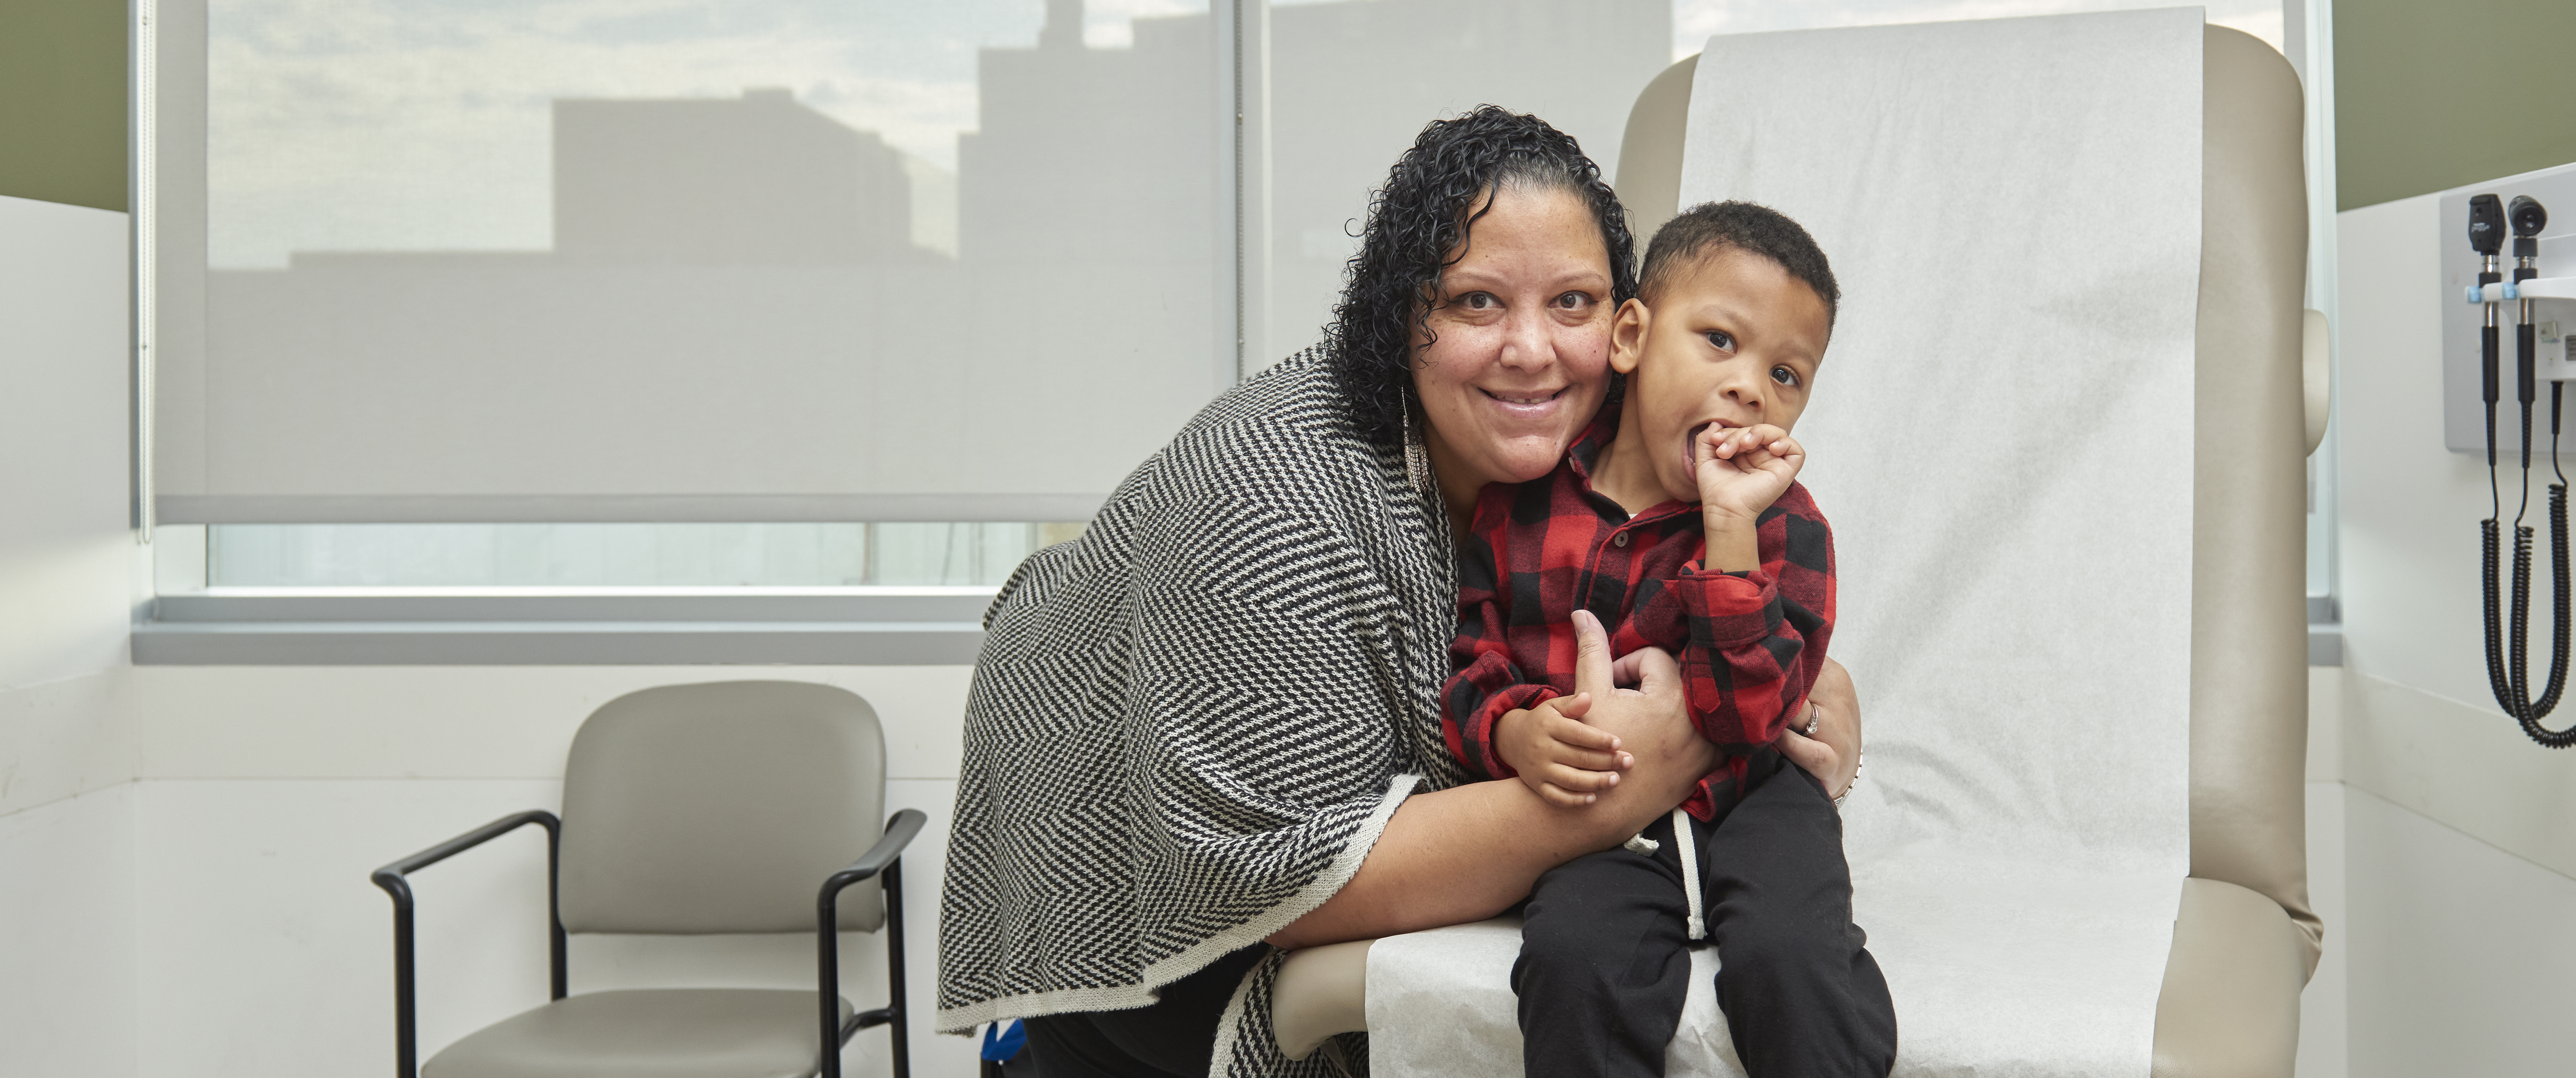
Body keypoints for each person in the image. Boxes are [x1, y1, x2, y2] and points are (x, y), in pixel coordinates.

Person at [935, 108, 1864, 1078]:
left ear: (1627, 330)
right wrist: (1658, 763)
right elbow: (1290, 881)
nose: (1533, 350)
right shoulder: (1270, 498)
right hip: (1135, 954)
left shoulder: (1578, 472)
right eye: (1475, 303)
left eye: (1575, 303)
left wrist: (1807, 684)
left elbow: (1666, 609)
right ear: (1399, 315)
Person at [1441, 201, 1896, 1077]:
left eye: (1789, 375)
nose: (1751, 387)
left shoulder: (1789, 530)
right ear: (1632, 337)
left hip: (1756, 797)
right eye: (1720, 341)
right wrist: (1512, 729)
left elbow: (1749, 715)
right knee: (1572, 960)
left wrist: (1729, 531)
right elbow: (1474, 665)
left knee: (1793, 959)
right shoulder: (1522, 506)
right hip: (1604, 814)